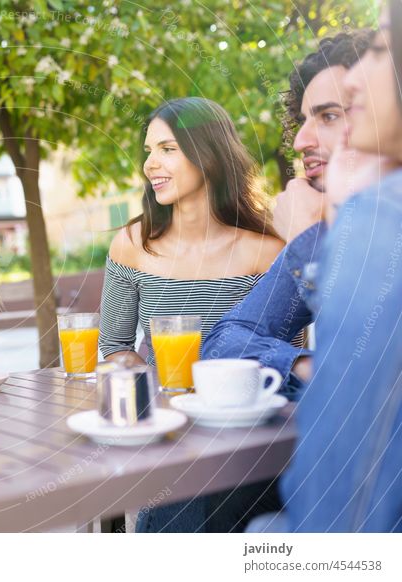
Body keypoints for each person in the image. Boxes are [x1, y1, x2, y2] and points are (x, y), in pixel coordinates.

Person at [252, 0, 402, 532]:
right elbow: (231, 334)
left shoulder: (377, 221)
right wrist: (301, 365)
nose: (299, 141)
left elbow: (336, 528)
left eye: (382, 48)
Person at [202, 30, 373, 398]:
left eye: (329, 116)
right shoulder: (329, 230)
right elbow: (224, 341)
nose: (300, 141)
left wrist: (305, 240)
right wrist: (305, 365)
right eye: (303, 120)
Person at [99, 97, 284, 368]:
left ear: (209, 155)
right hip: (163, 407)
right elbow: (115, 346)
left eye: (167, 149)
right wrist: (160, 394)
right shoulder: (131, 245)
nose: (149, 164)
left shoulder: (266, 252)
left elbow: (284, 355)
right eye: (149, 150)